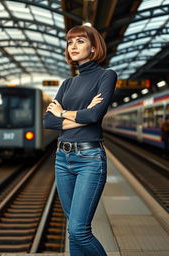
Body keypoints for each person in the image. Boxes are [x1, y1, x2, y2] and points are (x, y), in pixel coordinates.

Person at [43, 25, 117, 255]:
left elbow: (95, 116)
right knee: (73, 230)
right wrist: (81, 115)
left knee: (79, 230)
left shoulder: (107, 75)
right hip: (62, 159)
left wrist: (63, 113)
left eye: (80, 41)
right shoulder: (67, 83)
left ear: (94, 48)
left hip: (89, 159)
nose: (73, 46)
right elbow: (48, 121)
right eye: (69, 42)